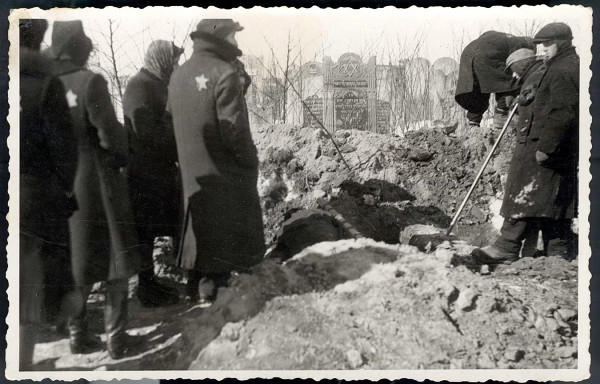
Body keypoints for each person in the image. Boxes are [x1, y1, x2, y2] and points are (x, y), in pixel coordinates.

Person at [48, 20, 141, 359]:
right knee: (115, 265)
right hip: (98, 186)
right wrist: (121, 154)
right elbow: (110, 136)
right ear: (79, 46)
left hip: (60, 189)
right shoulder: (91, 82)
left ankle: (77, 335)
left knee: (78, 262)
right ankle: (117, 341)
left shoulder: (39, 83)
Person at [168, 19, 265, 302]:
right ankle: (213, 291)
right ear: (221, 39)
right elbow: (234, 130)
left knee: (201, 224)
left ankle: (195, 282)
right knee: (226, 226)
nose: (236, 44)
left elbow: (169, 119)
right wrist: (250, 160)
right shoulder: (224, 73)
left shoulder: (178, 74)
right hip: (223, 170)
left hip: (191, 172)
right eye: (233, 37)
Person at [473, 22, 579, 264]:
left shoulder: (563, 69)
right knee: (553, 200)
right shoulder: (558, 66)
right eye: (539, 45)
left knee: (524, 194)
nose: (541, 49)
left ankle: (507, 246)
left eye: (547, 44)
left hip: (544, 146)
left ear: (562, 42)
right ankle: (557, 250)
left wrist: (546, 147)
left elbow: (563, 112)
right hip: (549, 145)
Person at [19, 18, 82, 370]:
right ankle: (20, 368)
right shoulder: (45, 86)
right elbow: (65, 155)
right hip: (31, 203)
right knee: (26, 295)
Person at [123, 40, 184, 308]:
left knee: (158, 228)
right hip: (145, 175)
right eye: (173, 60)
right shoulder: (139, 86)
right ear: (161, 59)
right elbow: (147, 133)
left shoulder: (155, 84)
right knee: (145, 233)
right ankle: (146, 289)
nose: (176, 66)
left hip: (159, 172)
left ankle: (156, 282)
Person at [455, 31, 533, 128]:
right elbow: (520, 67)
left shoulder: (503, 38)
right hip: (487, 53)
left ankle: (473, 121)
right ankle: (502, 115)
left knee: (478, 87)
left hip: (468, 53)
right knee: (508, 81)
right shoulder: (522, 44)